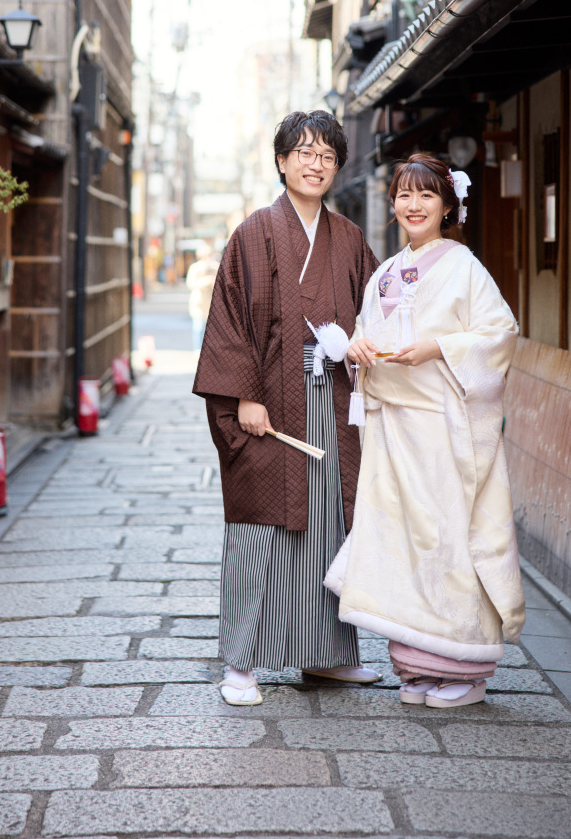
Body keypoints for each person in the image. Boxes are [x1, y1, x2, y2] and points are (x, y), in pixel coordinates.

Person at [325, 152, 525, 709]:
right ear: (393, 205)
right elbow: (367, 330)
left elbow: (500, 331)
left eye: (426, 196)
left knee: (446, 540)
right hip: (393, 430)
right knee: (400, 544)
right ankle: (415, 665)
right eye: (404, 196)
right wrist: (359, 345)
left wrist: (437, 346)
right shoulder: (385, 272)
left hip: (441, 426)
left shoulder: (463, 266)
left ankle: (464, 664)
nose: (414, 206)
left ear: (446, 206)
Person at [194, 110, 379, 706]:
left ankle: (328, 657)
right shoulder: (253, 234)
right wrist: (244, 393)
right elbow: (230, 320)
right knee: (260, 529)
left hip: (333, 400)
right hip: (271, 402)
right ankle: (240, 664)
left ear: (336, 167)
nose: (314, 163)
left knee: (330, 521)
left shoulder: (348, 239)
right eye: (303, 152)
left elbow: (373, 314)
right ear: (281, 161)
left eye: (326, 155)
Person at [186, 242, 219, 350]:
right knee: (199, 328)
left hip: (212, 303)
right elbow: (190, 284)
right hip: (199, 303)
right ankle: (198, 350)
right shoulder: (195, 268)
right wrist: (205, 281)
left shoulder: (215, 267)